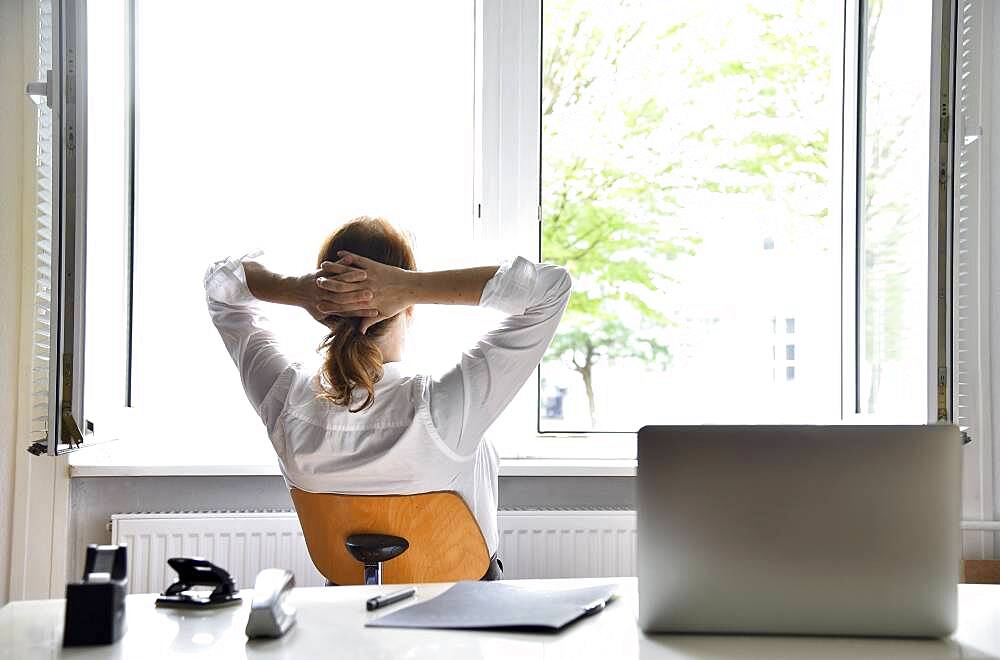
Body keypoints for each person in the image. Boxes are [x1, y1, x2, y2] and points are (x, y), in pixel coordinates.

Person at [204, 216, 572, 580]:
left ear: (323, 311)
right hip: (463, 615)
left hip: (348, 613)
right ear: (407, 307)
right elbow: (551, 288)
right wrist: (414, 286)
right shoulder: (445, 408)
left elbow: (222, 287)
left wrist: (296, 289)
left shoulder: (286, 401)